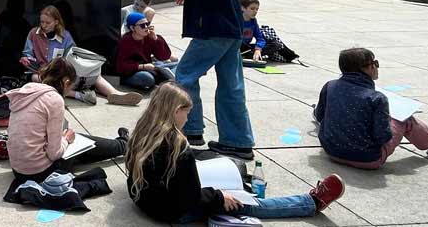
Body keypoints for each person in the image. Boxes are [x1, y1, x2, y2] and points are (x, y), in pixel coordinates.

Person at [126, 83, 345, 223]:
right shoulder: (176, 144)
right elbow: (189, 197)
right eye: (187, 112)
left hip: (146, 201)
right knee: (244, 205)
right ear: (176, 111)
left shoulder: (143, 131)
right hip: (171, 211)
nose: (188, 118)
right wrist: (220, 197)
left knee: (222, 175)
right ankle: (310, 202)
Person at [168, 0, 255, 159]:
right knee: (232, 86)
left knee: (184, 75)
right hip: (231, 31)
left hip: (214, 32)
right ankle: (238, 141)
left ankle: (192, 129)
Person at [315, 47, 428, 168]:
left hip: (331, 151)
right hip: (367, 159)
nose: (377, 67)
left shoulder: (330, 86)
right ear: (367, 68)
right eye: (375, 63)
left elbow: (319, 115)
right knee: (405, 118)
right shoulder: (377, 98)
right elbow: (383, 137)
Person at [7, 58, 130, 181]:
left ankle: (121, 144)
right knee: (78, 141)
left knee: (79, 147)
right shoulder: (54, 99)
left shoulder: (28, 90)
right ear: (66, 82)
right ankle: (123, 145)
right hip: (40, 173)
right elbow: (54, 154)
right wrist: (66, 139)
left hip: (18, 170)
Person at [22, 5, 141, 106]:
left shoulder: (65, 35)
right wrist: (27, 59)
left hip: (63, 70)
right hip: (42, 71)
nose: (44, 25)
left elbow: (72, 54)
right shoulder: (33, 33)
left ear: (56, 22)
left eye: (48, 22)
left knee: (94, 74)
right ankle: (80, 95)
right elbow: (27, 53)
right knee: (38, 79)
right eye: (42, 22)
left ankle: (114, 94)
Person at [116, 11, 175, 91]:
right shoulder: (126, 41)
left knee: (179, 64)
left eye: (148, 24)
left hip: (150, 67)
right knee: (147, 78)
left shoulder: (149, 37)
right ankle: (164, 81)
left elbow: (164, 56)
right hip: (132, 73)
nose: (147, 27)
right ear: (132, 28)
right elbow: (121, 66)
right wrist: (143, 67)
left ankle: (164, 80)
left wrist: (156, 39)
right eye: (142, 25)